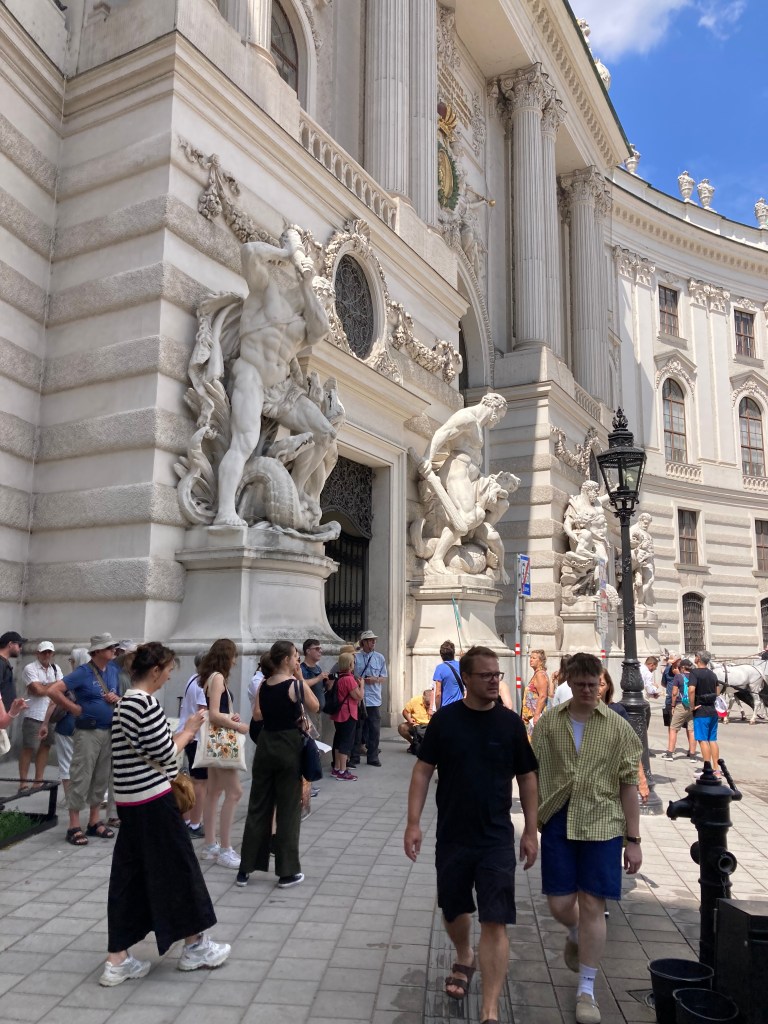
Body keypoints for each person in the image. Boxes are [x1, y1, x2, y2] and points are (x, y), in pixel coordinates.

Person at [404, 645, 538, 1024]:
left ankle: (489, 1011)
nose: (494, 681)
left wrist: (530, 829)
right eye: (486, 675)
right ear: (466, 678)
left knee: (495, 919)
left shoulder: (510, 724)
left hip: (496, 837)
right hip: (453, 834)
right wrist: (413, 823)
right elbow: (422, 771)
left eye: (497, 674)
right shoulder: (445, 722)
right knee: (454, 909)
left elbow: (527, 777)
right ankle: (464, 954)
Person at [101, 642, 230, 986]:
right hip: (153, 802)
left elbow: (147, 749)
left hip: (131, 801)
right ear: (155, 670)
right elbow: (166, 752)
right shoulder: (145, 704)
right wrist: (189, 729)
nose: (170, 676)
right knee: (179, 869)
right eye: (169, 669)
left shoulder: (125, 703)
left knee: (130, 878)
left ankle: (117, 958)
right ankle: (195, 946)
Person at [532, 651, 643, 1024]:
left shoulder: (618, 728)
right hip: (559, 818)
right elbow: (532, 772)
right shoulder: (550, 723)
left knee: (594, 903)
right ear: (569, 683)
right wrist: (531, 822)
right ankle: (576, 932)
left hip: (603, 823)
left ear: (601, 684)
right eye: (580, 684)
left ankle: (587, 990)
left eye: (593, 685)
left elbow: (629, 785)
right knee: (559, 903)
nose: (587, 691)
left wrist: (633, 840)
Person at [212, 229, 337, 528]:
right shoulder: (267, 293)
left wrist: (307, 286)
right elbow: (249, 252)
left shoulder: (304, 326)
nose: (322, 308)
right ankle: (224, 511)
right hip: (251, 375)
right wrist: (285, 254)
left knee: (326, 434)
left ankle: (295, 490)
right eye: (324, 300)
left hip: (283, 388)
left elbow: (321, 330)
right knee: (244, 442)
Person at [237, 640, 319, 888]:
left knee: (258, 806)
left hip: (265, 745)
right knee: (288, 810)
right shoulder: (294, 684)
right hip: (288, 747)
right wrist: (300, 679)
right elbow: (315, 706)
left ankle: (245, 869)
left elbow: (257, 714)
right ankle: (287, 871)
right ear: (286, 660)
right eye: (295, 656)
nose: (297, 660)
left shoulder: (263, 684)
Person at [47, 633, 121, 847]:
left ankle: (94, 821)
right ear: (97, 651)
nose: (113, 650)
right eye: (109, 647)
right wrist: (73, 708)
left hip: (108, 729)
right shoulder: (83, 672)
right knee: (81, 774)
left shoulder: (113, 670)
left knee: (101, 776)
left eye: (113, 647)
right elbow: (53, 690)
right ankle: (73, 825)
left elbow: (116, 694)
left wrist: (115, 698)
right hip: (87, 731)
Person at [198, 639, 249, 869]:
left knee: (214, 791)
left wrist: (230, 717)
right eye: (234, 656)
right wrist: (237, 725)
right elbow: (215, 714)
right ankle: (226, 848)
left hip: (215, 741)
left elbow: (216, 713)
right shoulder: (218, 678)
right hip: (222, 742)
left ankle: (211, 845)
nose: (235, 661)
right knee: (234, 792)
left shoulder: (211, 677)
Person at [598, 669, 649, 805]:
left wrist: (642, 779)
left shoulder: (616, 710)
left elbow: (631, 746)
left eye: (601, 684)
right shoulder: (580, 713)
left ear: (608, 686)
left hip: (613, 777)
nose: (597, 689)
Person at [19, 642, 62, 790]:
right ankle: (23, 782)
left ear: (53, 654)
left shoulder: (56, 668)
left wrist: (44, 686)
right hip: (34, 714)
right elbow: (37, 690)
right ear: (37, 653)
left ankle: (39, 780)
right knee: (29, 747)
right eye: (44, 652)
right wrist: (54, 685)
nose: (47, 655)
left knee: (45, 746)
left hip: (51, 715)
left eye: (49, 652)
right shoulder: (30, 668)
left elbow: (61, 688)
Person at [176, 651, 208, 837]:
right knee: (199, 782)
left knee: (193, 779)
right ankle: (195, 824)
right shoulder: (201, 684)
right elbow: (203, 713)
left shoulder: (192, 679)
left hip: (190, 736)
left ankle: (188, 820)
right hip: (197, 738)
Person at [351, 630, 387, 767]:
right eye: (370, 640)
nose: (373, 642)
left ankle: (373, 756)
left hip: (374, 699)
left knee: (374, 730)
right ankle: (354, 756)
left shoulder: (380, 657)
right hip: (358, 697)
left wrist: (375, 679)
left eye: (374, 640)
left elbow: (384, 677)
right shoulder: (355, 657)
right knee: (357, 729)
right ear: (363, 642)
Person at [330, 651, 363, 780]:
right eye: (353, 662)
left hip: (339, 713)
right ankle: (343, 771)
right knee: (346, 742)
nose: (354, 664)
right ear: (350, 664)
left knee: (339, 740)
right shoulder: (349, 679)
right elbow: (358, 696)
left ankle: (337, 768)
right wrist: (362, 686)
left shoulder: (339, 677)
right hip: (348, 713)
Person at [689, 651, 721, 775]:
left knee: (702, 740)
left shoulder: (694, 673)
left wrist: (692, 706)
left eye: (695, 656)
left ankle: (707, 770)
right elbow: (717, 691)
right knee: (712, 739)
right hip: (712, 710)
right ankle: (716, 769)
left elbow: (691, 690)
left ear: (698, 658)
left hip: (701, 710)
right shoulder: (712, 674)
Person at [661, 658, 697, 760]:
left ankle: (669, 753)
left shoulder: (678, 676)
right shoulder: (694, 677)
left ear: (682, 668)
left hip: (681, 704)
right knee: (691, 730)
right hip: (692, 705)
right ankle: (692, 755)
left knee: (673, 729)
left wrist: (673, 705)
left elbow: (674, 693)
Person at [521, 650, 548, 737]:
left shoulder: (540, 675)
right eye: (530, 657)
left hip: (535, 717)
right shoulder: (537, 674)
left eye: (534, 658)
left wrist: (536, 715)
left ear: (540, 661)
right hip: (530, 716)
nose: (531, 660)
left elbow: (543, 695)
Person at [432, 640, 464, 709]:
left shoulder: (440, 668)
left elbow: (438, 694)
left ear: (441, 655)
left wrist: (438, 710)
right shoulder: (461, 666)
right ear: (453, 653)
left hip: (446, 708)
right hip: (460, 707)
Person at [300, 638, 328, 712]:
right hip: (308, 711)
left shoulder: (318, 668)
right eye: (317, 649)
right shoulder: (301, 669)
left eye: (320, 648)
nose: (320, 651)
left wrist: (329, 682)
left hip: (318, 711)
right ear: (308, 651)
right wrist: (318, 678)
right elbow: (300, 685)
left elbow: (321, 688)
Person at [0, 630, 26, 711]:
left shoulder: (4, 662)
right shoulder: (1, 663)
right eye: (19, 645)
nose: (20, 648)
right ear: (10, 644)